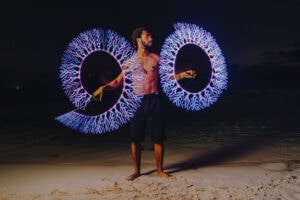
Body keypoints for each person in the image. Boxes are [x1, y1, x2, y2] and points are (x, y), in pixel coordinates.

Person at [93, 27, 196, 181]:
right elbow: (117, 81)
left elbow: (168, 76)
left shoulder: (155, 58)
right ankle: (136, 171)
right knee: (136, 139)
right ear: (138, 39)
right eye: (147, 35)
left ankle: (160, 171)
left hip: (154, 99)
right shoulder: (130, 61)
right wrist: (103, 87)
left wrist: (182, 74)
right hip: (137, 101)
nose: (151, 38)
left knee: (158, 137)